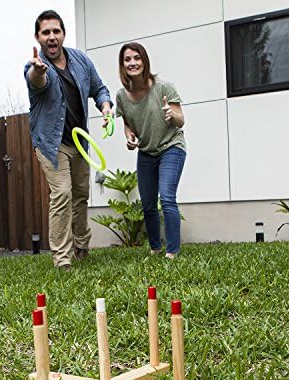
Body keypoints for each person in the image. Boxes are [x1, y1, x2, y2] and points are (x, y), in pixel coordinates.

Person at [24, 10, 113, 270]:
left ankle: (81, 246)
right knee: (62, 193)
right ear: (38, 37)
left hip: (79, 143)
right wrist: (38, 71)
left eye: (56, 31)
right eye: (46, 33)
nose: (51, 37)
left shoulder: (80, 60)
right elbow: (37, 81)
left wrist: (106, 107)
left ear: (63, 34)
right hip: (51, 144)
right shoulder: (34, 66)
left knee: (81, 194)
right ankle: (62, 259)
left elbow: (99, 89)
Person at [115, 42, 186, 259]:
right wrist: (129, 136)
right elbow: (128, 124)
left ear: (144, 61)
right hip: (146, 151)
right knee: (147, 204)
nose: (132, 63)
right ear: (122, 65)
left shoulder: (163, 87)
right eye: (127, 59)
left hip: (171, 146)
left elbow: (181, 120)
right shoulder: (121, 96)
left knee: (167, 197)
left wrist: (171, 114)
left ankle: (172, 251)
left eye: (137, 58)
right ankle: (155, 248)